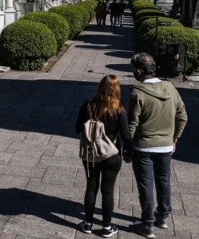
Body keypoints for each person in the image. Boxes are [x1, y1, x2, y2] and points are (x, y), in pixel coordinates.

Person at [127, 52, 188, 239]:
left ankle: (147, 225)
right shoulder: (170, 88)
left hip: (143, 147)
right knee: (164, 182)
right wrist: (174, 138)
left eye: (134, 70)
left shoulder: (137, 93)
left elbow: (132, 124)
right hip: (165, 147)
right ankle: (163, 217)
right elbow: (182, 116)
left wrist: (127, 146)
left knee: (146, 186)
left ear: (139, 71)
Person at [75, 75, 131, 237]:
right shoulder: (119, 110)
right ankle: (107, 227)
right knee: (108, 191)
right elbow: (126, 136)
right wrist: (129, 153)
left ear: (99, 87)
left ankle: (87, 224)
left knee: (91, 187)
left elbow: (77, 128)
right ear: (117, 90)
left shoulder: (88, 105)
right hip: (111, 155)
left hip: (91, 155)